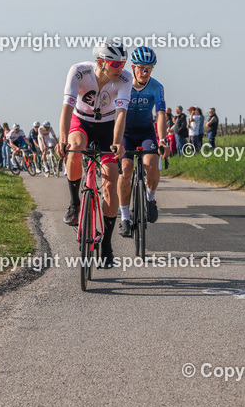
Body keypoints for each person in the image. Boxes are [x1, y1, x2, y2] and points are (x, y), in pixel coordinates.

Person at [57, 39, 131, 268]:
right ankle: (74, 203)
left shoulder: (125, 79)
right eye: (115, 64)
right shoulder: (79, 72)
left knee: (110, 180)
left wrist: (117, 143)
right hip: (81, 122)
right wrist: (62, 139)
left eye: (123, 63)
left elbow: (121, 113)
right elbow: (67, 107)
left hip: (108, 126)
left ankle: (107, 244)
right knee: (75, 148)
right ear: (100, 62)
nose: (120, 68)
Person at [117, 46, 168, 237]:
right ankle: (124, 217)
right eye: (141, 68)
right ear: (133, 67)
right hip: (125, 133)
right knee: (126, 170)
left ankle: (150, 198)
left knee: (151, 164)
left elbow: (160, 114)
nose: (145, 72)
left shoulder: (157, 87)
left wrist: (163, 140)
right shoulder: (122, 84)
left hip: (146, 132)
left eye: (149, 69)